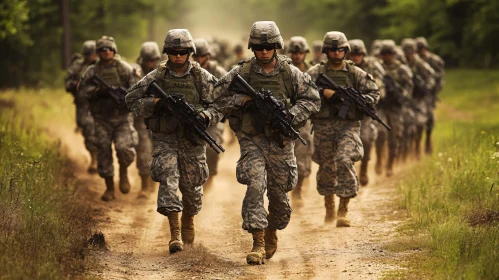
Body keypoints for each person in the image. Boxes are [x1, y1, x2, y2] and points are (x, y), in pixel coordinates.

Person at [200, 21, 320, 265]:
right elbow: (215, 96)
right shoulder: (242, 72)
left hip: (281, 142)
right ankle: (257, 241)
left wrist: (290, 114)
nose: (264, 52)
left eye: (268, 47)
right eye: (259, 47)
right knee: (255, 184)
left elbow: (313, 100)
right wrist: (242, 101)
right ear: (252, 47)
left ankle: (271, 232)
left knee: (279, 196)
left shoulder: (290, 73)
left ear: (277, 47)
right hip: (252, 139)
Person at [126, 29, 217, 254]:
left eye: (183, 52)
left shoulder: (201, 77)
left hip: (192, 140)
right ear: (167, 53)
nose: (178, 56)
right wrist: (155, 103)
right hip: (165, 138)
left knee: (192, 189)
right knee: (169, 179)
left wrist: (205, 116)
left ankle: (188, 219)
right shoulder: (157, 76)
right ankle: (174, 232)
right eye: (174, 52)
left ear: (190, 52)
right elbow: (131, 99)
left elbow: (220, 105)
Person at [307, 32, 380, 226]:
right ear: (326, 51)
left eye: (340, 49)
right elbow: (300, 91)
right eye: (332, 49)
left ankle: (343, 209)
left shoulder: (355, 73)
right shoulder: (315, 72)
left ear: (345, 50)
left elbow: (374, 92)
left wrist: (360, 101)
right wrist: (323, 93)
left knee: (345, 159)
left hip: (348, 126)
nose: (336, 53)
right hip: (323, 126)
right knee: (327, 166)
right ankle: (329, 206)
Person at [78, 36, 138, 202]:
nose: (107, 52)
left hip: (122, 118)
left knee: (124, 148)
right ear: (98, 52)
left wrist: (126, 98)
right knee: (103, 152)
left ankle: (124, 172)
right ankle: (110, 188)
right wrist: (98, 92)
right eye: (103, 50)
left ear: (114, 50)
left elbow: (137, 89)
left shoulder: (124, 68)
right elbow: (81, 92)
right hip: (101, 119)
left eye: (109, 49)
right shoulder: (91, 71)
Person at [347, 39, 386, 186]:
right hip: (344, 112)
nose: (356, 57)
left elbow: (380, 87)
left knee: (367, 139)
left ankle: (363, 168)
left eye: (359, 54)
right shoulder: (343, 67)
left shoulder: (372, 66)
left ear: (363, 54)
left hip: (365, 110)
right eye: (353, 54)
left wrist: (367, 99)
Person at [375, 40, 413, 176]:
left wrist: (400, 95)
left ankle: (390, 164)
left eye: (390, 53)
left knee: (394, 136)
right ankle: (379, 159)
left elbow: (409, 87)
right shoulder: (376, 67)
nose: (387, 56)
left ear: (394, 54)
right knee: (380, 133)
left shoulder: (402, 69)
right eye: (384, 54)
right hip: (381, 106)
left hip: (395, 107)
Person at [192, 38, 227, 183]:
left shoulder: (218, 72)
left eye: (202, 56)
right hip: (191, 115)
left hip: (213, 117)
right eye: (196, 56)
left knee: (213, 147)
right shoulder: (188, 71)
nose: (199, 59)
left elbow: (228, 95)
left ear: (208, 56)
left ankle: (211, 174)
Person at [131, 42, 162, 198]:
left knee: (160, 152)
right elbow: (131, 96)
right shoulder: (135, 73)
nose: (151, 63)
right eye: (148, 60)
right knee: (143, 151)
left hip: (161, 119)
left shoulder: (164, 72)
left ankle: (154, 184)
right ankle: (144, 185)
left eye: (153, 60)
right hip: (142, 119)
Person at [64, 40, 98, 173]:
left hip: (102, 103)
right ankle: (94, 158)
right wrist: (74, 84)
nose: (93, 56)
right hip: (83, 104)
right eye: (90, 54)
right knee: (88, 128)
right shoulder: (78, 66)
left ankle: (102, 158)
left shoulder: (104, 66)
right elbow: (67, 84)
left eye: (95, 53)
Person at [287, 36, 314, 199]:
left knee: (303, 150)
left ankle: (298, 187)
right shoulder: (283, 70)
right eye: (294, 52)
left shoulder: (313, 72)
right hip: (284, 115)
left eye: (300, 52)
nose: (297, 55)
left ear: (305, 53)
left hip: (305, 118)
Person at [401, 38, 436, 159]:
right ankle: (404, 149)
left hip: (418, 98)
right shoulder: (400, 63)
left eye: (411, 52)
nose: (409, 55)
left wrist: (427, 87)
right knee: (404, 124)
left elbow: (431, 77)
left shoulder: (420, 64)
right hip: (404, 98)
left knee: (420, 122)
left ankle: (417, 145)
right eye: (407, 52)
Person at [416, 37, 445, 154]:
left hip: (429, 94)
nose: (421, 51)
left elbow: (440, 78)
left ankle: (428, 139)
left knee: (429, 118)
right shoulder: (415, 62)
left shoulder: (435, 60)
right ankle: (416, 143)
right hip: (416, 95)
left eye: (422, 48)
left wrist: (433, 90)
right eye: (418, 49)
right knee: (417, 120)